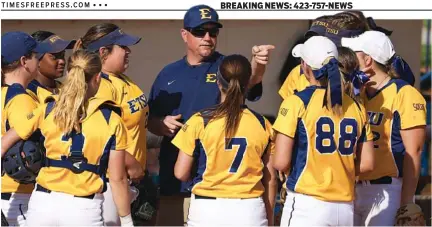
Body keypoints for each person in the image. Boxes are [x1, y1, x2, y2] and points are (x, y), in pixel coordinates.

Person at [147, 4, 274, 226]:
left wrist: (258, 65)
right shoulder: (168, 73)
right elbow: (150, 119)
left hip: (215, 183)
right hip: (175, 178)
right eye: (199, 31)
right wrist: (160, 123)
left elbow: (249, 84)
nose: (207, 37)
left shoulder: (225, 67)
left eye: (213, 32)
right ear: (184, 34)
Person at [1, 50, 133, 226]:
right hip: (83, 208)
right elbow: (118, 179)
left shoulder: (48, 109)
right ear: (98, 78)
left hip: (42, 204)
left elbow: (3, 144)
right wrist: (126, 220)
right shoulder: (111, 118)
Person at [272, 36, 375, 226]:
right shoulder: (357, 106)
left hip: (307, 203)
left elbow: (280, 161)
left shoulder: (296, 102)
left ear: (305, 66)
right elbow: (367, 164)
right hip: (344, 208)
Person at [172, 54, 277, 226]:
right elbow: (270, 179)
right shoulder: (262, 124)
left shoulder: (200, 120)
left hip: (207, 208)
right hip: (249, 209)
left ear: (218, 82)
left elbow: (180, 172)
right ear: (247, 83)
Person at [342, 31, 427, 226]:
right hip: (353, 189)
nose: (348, 58)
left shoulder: (404, 93)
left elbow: (414, 151)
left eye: (354, 53)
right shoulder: (358, 94)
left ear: (368, 60)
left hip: (389, 190)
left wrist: (406, 203)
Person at [75, 23, 148, 225]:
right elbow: (101, 138)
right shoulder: (101, 87)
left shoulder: (122, 79)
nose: (128, 51)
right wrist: (132, 164)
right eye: (122, 47)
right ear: (103, 52)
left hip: (129, 181)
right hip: (110, 184)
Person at [1, 31, 52, 226]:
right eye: (35, 56)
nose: (38, 61)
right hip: (17, 197)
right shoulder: (21, 99)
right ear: (24, 61)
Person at [27, 31, 75, 103]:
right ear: (36, 59)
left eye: (62, 55)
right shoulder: (29, 93)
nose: (62, 61)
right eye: (54, 56)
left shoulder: (66, 88)